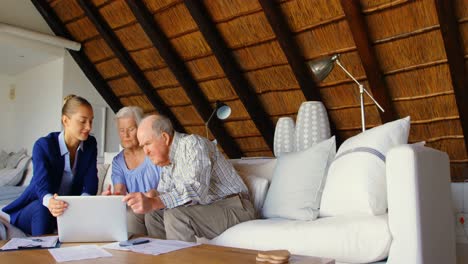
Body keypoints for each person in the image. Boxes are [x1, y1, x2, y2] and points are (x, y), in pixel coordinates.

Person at [123, 115, 255, 242]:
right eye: (143, 146)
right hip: (205, 208)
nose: (145, 152)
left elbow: (196, 191)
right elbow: (165, 196)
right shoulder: (167, 161)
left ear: (164, 137)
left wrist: (154, 201)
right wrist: (151, 196)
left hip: (235, 206)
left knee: (175, 216)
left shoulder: (193, 144)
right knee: (153, 214)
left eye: (148, 144)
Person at [2, 95, 98, 236]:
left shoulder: (90, 144)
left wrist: (82, 204)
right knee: (43, 210)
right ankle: (42, 253)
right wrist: (50, 202)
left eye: (91, 121)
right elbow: (41, 185)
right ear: (66, 120)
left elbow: (91, 182)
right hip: (39, 204)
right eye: (83, 121)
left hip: (68, 207)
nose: (88, 127)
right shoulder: (44, 145)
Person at [102, 106, 161, 235]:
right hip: (136, 210)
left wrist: (153, 195)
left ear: (140, 129)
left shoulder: (153, 152)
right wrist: (112, 198)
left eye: (131, 129)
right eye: (121, 130)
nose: (126, 135)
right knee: (129, 214)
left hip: (158, 205)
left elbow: (167, 187)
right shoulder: (118, 161)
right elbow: (120, 192)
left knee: (151, 215)